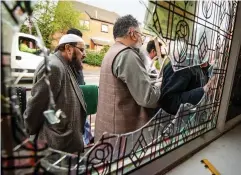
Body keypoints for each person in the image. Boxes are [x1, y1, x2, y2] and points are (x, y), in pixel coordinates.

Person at [94, 15, 162, 141]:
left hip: (106, 132)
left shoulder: (111, 52)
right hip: (121, 136)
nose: (141, 39)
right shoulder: (127, 55)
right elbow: (148, 98)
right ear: (133, 33)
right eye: (141, 35)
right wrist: (161, 83)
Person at [24, 34, 87, 153]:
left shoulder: (64, 64)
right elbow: (36, 107)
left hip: (63, 142)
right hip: (56, 145)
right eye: (82, 50)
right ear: (68, 48)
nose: (84, 54)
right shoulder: (53, 67)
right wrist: (31, 133)